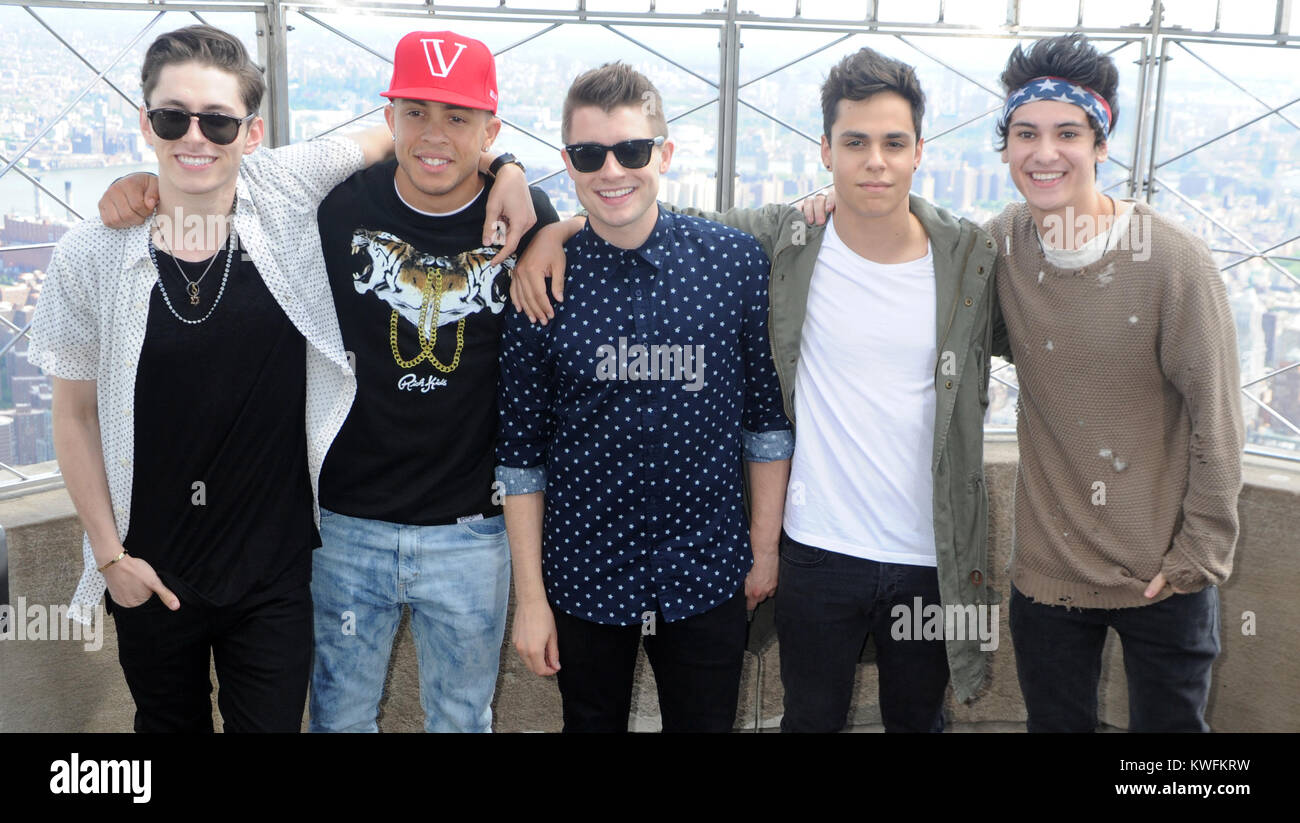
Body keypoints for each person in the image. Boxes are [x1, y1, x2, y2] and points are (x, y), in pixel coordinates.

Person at [513, 47, 1001, 732]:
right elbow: (635, 214)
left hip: (927, 557)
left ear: (920, 150)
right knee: (809, 719)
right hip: (813, 554)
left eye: (893, 142)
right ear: (825, 149)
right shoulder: (783, 241)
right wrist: (551, 231)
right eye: (855, 142)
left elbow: (1053, 329)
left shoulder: (969, 257)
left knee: (919, 720)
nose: (875, 161)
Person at [98, 30, 550, 733]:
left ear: (491, 129)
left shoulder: (525, 217)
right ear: (389, 116)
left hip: (470, 531)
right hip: (343, 526)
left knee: (464, 719)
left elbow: (615, 215)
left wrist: (533, 194)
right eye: (416, 112)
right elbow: (220, 174)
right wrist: (142, 186)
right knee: (338, 720)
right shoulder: (334, 207)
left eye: (458, 117)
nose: (434, 134)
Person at [31, 24, 393, 732]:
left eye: (218, 121)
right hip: (152, 571)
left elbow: (390, 133)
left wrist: (504, 172)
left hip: (274, 571)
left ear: (251, 133)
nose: (194, 136)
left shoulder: (283, 189)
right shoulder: (90, 255)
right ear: (145, 121)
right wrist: (111, 560)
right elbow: (73, 415)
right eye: (173, 117)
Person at [495, 62, 793, 732]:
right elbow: (520, 458)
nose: (611, 171)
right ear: (567, 163)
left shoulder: (734, 261)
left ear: (664, 153)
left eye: (631, 150)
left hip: (708, 571)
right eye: (588, 154)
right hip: (582, 574)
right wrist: (532, 599)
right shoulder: (539, 286)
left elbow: (764, 423)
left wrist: (764, 547)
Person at [988, 34, 1244, 732]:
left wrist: (1195, 558)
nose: (1045, 153)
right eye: (1025, 133)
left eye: (1068, 133)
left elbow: (1216, 419)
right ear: (1004, 145)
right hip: (1048, 577)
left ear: (1101, 144)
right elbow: (926, 279)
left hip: (1162, 575)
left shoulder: (1170, 261)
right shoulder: (1003, 247)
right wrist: (833, 203)